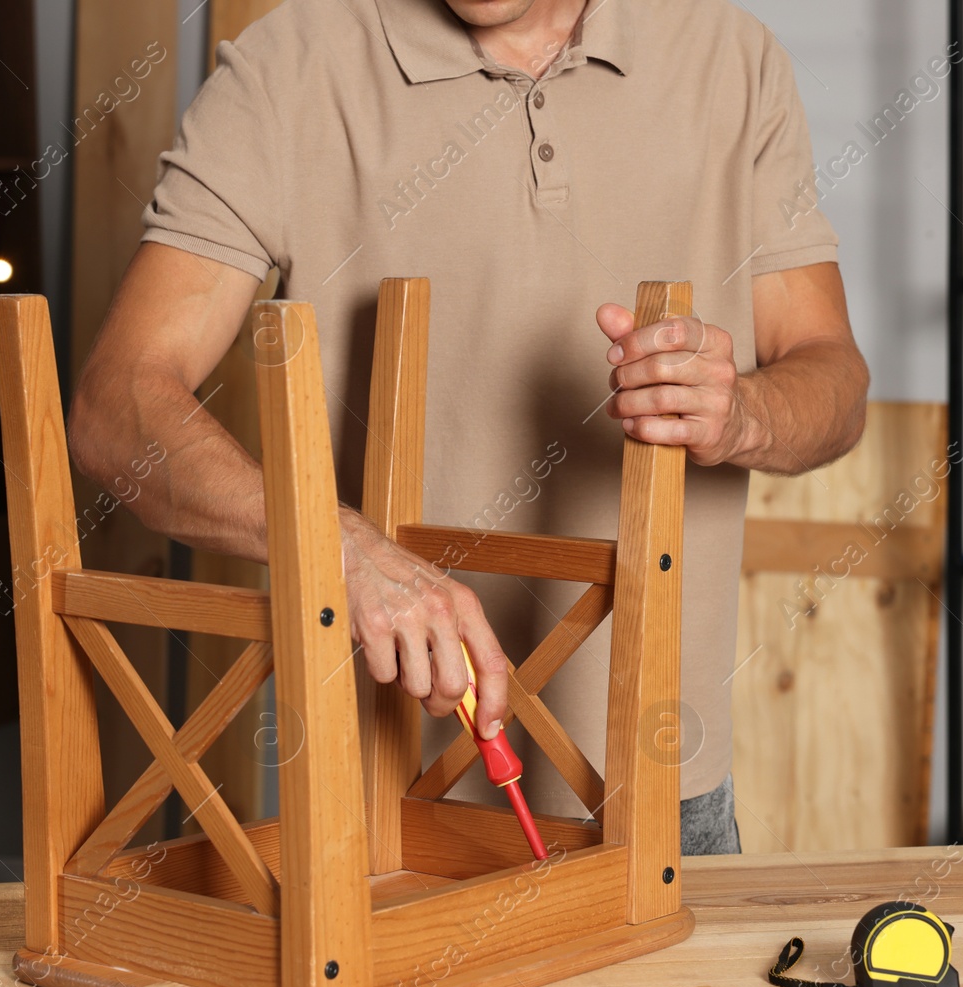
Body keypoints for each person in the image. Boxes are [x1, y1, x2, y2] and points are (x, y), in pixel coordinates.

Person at [69, 0, 869, 855]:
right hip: (381, 809)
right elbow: (116, 406)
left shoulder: (732, 59)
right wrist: (331, 543)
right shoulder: (288, 66)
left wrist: (743, 412)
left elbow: (834, 378)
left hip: (668, 798)